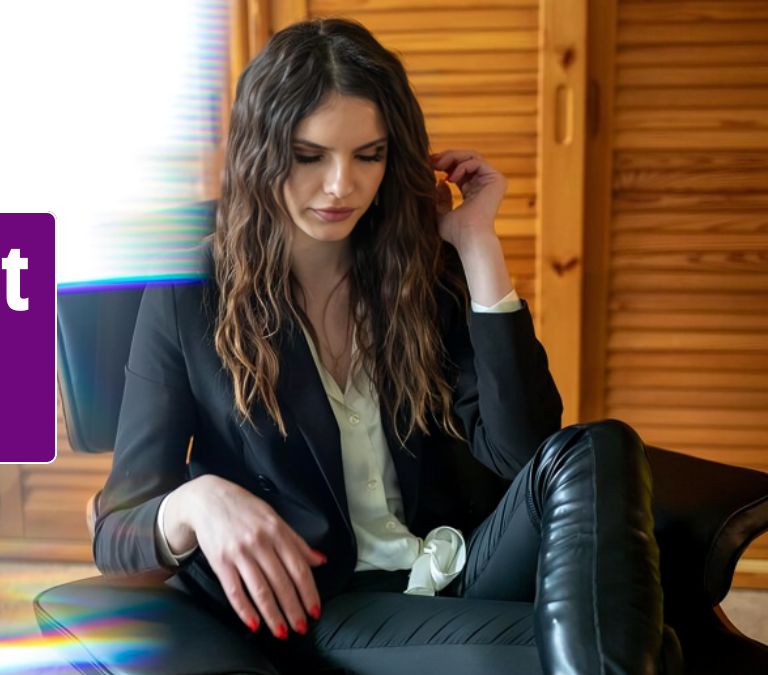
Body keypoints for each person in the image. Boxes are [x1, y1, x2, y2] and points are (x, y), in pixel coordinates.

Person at [92, 17, 666, 674]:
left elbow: (521, 451)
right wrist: (195, 501)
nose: (343, 185)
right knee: (623, 643)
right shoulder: (190, 295)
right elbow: (117, 529)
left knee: (600, 445)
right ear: (260, 151)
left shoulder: (416, 267)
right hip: (333, 601)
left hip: (457, 560)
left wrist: (478, 246)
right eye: (310, 156)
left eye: (369, 154)